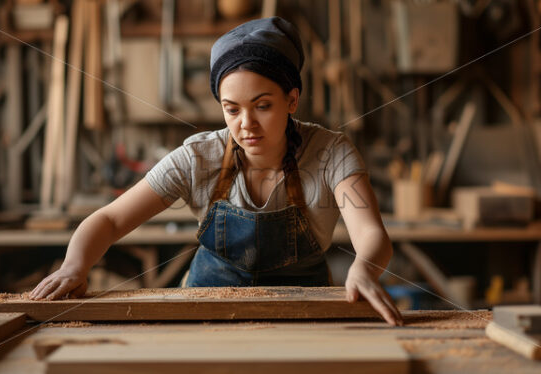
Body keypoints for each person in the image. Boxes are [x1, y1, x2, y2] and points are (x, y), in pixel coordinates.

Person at [30, 16, 403, 325]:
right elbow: (111, 219)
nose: (246, 124)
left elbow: (371, 233)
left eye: (262, 106)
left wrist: (364, 269)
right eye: (232, 109)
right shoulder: (198, 158)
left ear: (292, 99)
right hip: (206, 308)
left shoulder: (331, 153)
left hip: (303, 310)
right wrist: (75, 265)